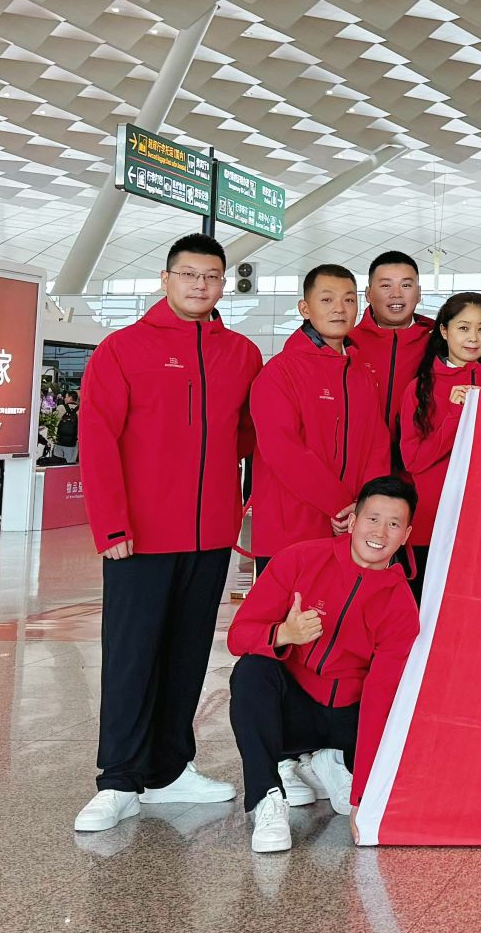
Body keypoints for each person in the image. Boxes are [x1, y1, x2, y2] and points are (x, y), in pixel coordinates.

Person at [74, 234, 263, 833]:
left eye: (212, 276)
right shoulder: (123, 349)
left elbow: (248, 435)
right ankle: (118, 778)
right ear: (166, 278)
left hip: (209, 534)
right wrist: (112, 524)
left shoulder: (241, 354)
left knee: (188, 654)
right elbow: (97, 440)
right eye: (189, 274)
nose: (200, 285)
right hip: (141, 535)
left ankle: (170, 769)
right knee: (131, 656)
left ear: (223, 284)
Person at [226, 475, 420, 854]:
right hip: (296, 714)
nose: (380, 532)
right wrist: (284, 633)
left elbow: (380, 701)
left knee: (398, 711)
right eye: (372, 519)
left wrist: (363, 799)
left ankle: (332, 761)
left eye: (394, 524)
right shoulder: (300, 559)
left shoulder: (401, 607)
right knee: (251, 672)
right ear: (353, 521)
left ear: (406, 535)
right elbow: (238, 637)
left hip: (348, 721)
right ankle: (267, 798)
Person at [247, 264, 391, 580]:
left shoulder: (362, 376)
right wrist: (342, 506)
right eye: (327, 300)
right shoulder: (279, 373)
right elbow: (283, 452)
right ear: (305, 308)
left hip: (352, 529)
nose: (340, 308)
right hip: (292, 530)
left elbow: (377, 447)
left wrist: (366, 507)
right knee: (292, 611)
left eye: (349, 300)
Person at [397, 293, 481, 599]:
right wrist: (455, 415)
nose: (473, 338)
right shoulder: (419, 388)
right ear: (444, 331)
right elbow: (414, 460)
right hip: (433, 524)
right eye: (463, 328)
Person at [348, 251, 432, 474]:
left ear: (419, 293)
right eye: (386, 285)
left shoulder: (440, 342)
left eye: (406, 285)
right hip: (361, 467)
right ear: (368, 294)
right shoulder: (346, 343)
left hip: (421, 466)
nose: (396, 294)